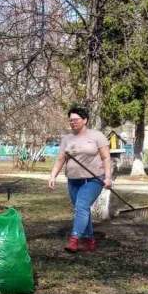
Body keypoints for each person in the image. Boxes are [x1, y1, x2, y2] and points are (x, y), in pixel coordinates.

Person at [48, 106, 112, 253]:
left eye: (75, 119)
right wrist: (53, 176)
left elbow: (106, 157)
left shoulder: (97, 136)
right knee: (82, 210)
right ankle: (90, 240)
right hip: (73, 180)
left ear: (85, 120)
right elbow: (60, 159)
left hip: (94, 179)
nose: (72, 122)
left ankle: (74, 240)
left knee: (81, 207)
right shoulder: (66, 139)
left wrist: (108, 177)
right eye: (70, 120)